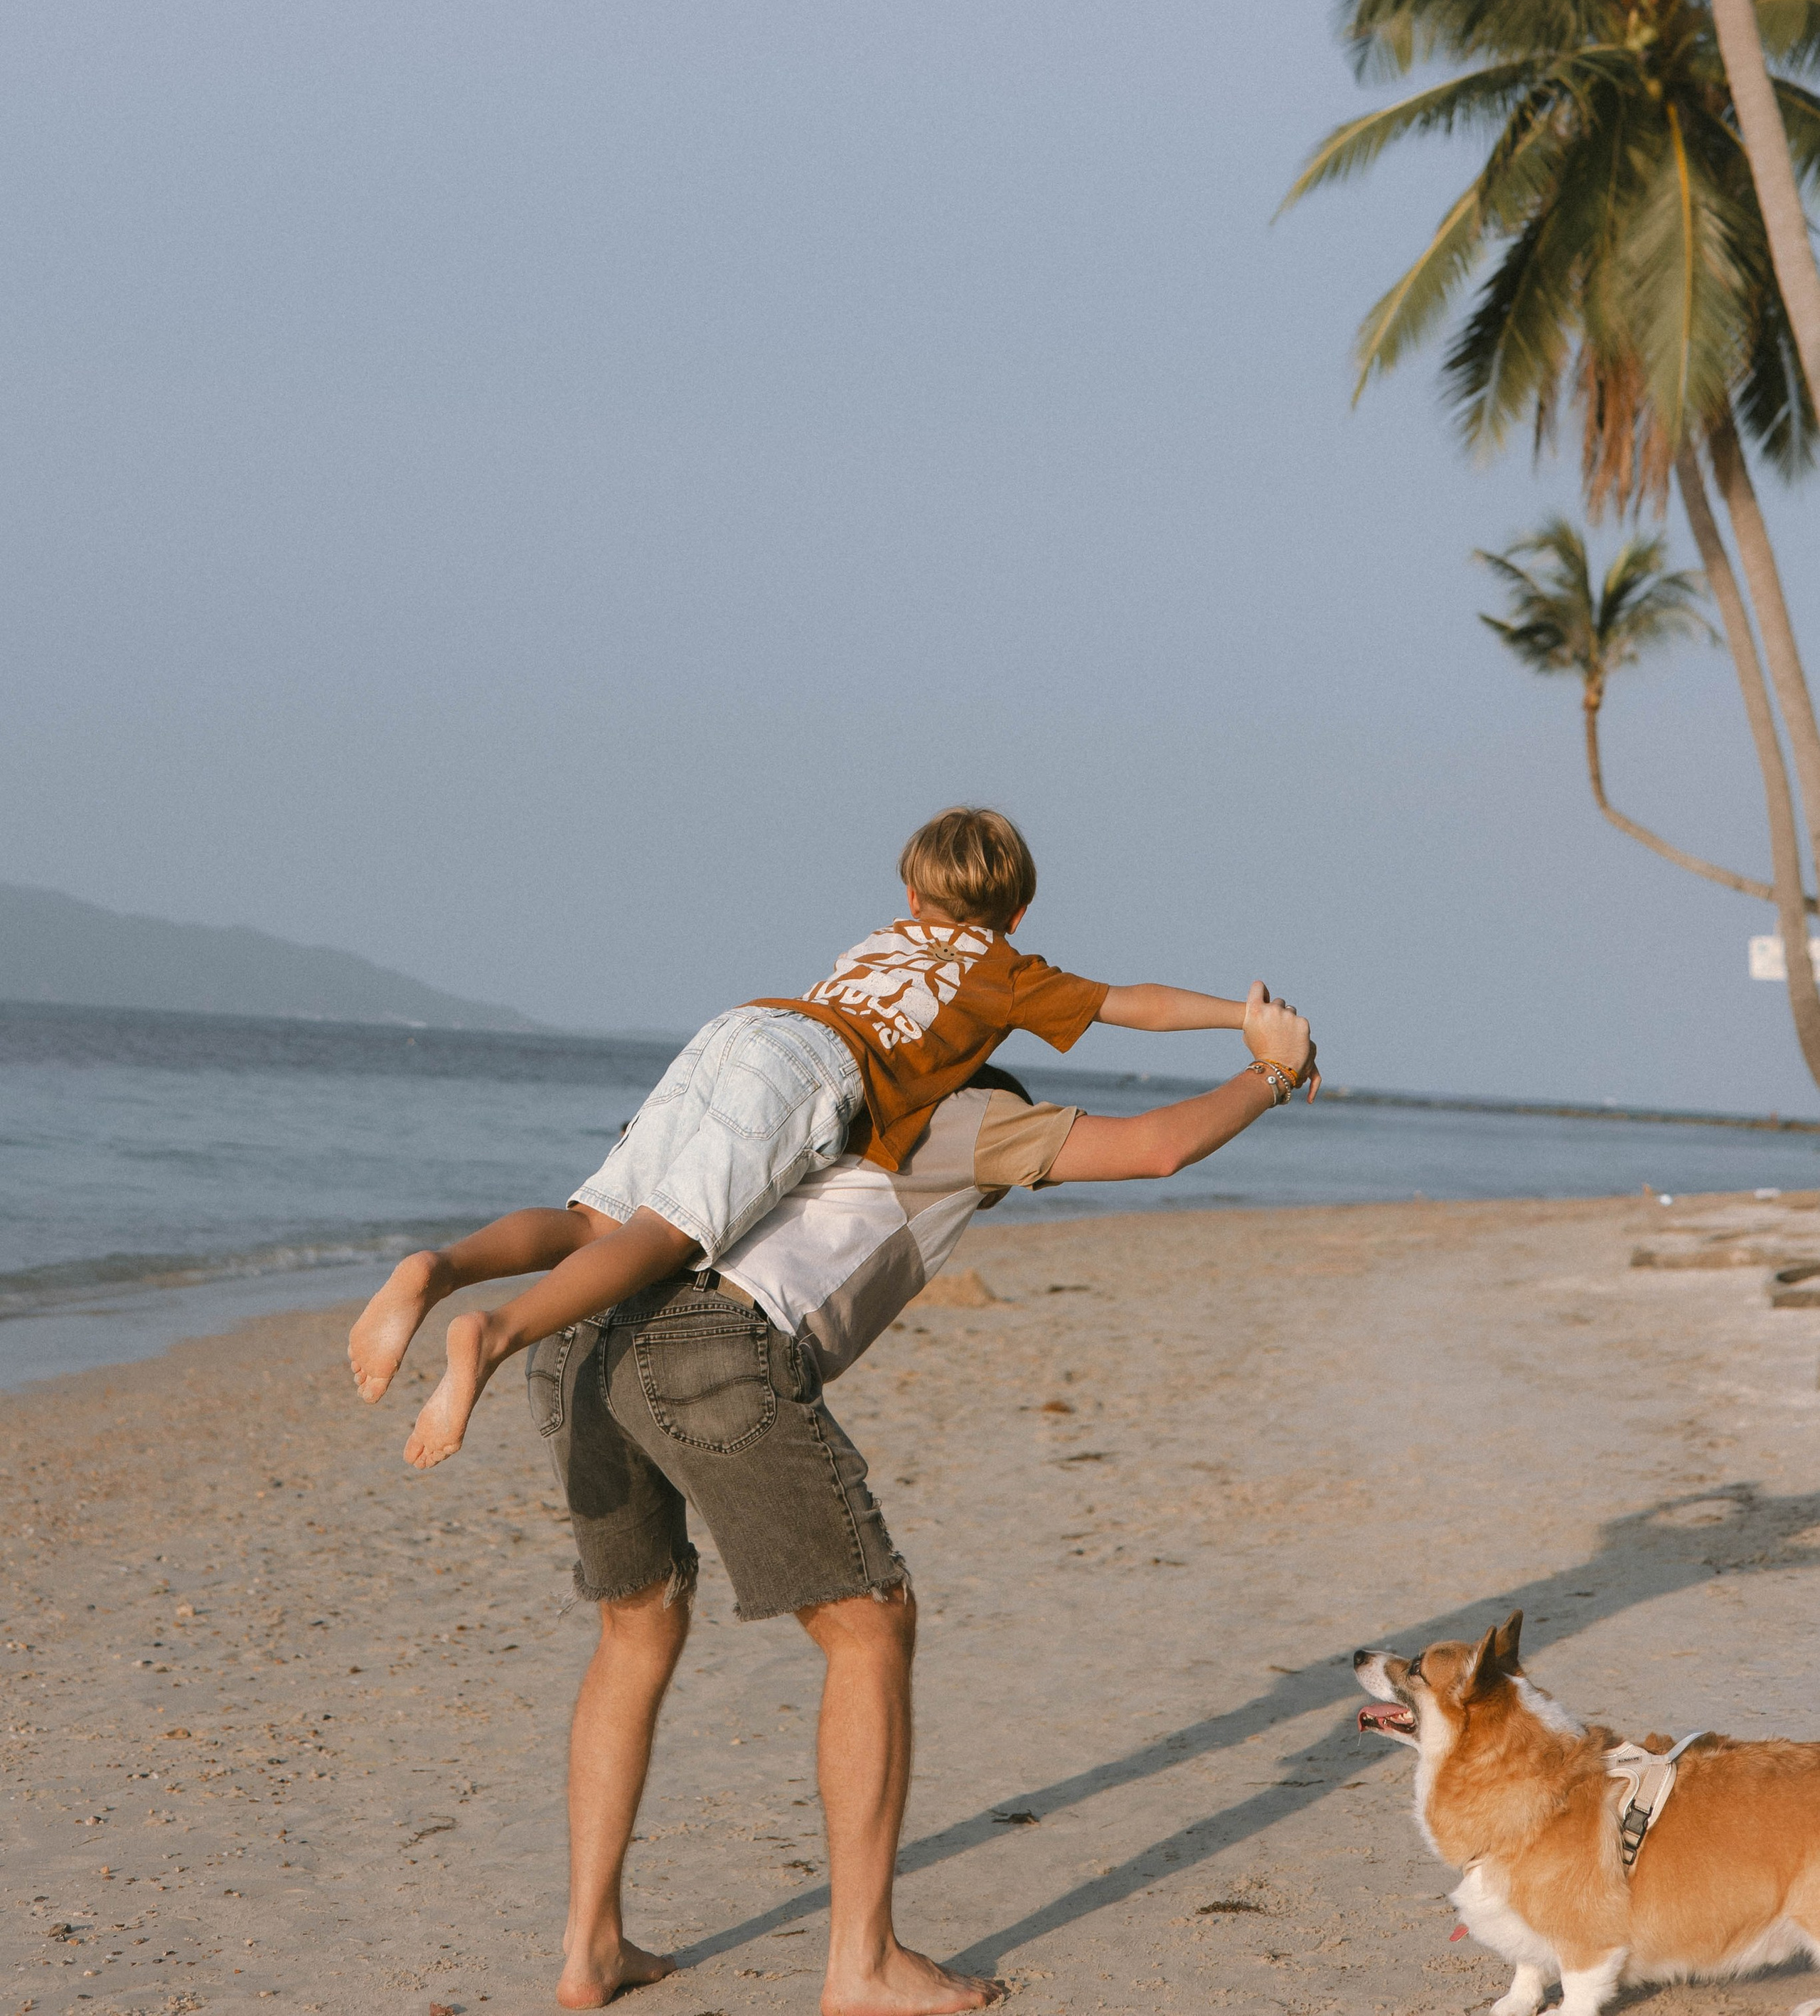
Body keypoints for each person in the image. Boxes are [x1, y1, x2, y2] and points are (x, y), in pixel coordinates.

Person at [532, 986, 1316, 2014]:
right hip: (707, 1345)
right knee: (871, 1625)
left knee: (637, 1626)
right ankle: (861, 1964)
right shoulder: (969, 1116)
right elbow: (1157, 1148)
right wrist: (1271, 1072)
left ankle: (590, 1950)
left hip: (582, 1329)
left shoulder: (835, 1102)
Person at [348, 808, 1299, 1468]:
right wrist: (1245, 1023)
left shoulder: (883, 938)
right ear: (1017, 914)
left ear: (915, 896)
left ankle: (440, 1268)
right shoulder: (1008, 969)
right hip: (812, 1069)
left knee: (595, 1220)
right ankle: (495, 1333)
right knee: (664, 1236)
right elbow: (1135, 1004)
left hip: (744, 1027)